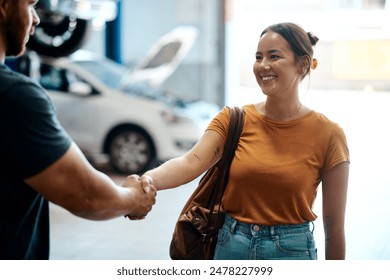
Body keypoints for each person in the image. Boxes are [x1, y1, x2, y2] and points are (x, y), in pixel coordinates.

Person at [140, 22, 349, 260]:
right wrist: (149, 179)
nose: (263, 65)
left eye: (274, 56)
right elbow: (190, 162)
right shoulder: (233, 120)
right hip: (231, 246)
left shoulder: (329, 134)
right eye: (258, 57)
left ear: (302, 64)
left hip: (292, 252)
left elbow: (334, 230)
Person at [0, 0, 156, 259]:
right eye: (30, 6)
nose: (37, 20)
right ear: (4, 5)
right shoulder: (14, 97)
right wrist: (134, 198)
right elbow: (87, 196)